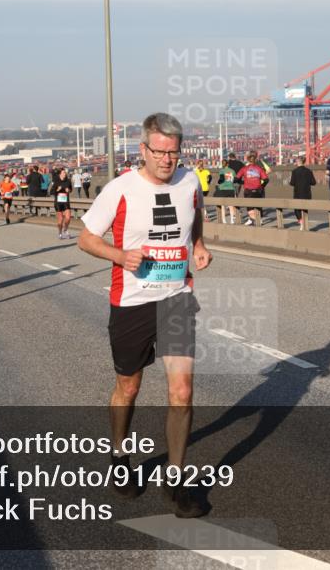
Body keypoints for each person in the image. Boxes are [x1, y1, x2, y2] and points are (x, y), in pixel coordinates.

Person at [77, 112, 211, 518]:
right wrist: (120, 255)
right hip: (131, 303)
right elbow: (85, 238)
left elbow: (197, 214)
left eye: (174, 152)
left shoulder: (189, 182)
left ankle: (176, 479)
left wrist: (199, 245)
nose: (168, 160)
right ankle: (119, 456)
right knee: (128, 389)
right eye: (160, 152)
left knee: (182, 391)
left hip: (176, 299)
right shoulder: (120, 190)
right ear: (144, 150)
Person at [236, 152, 269, 226]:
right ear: (255, 160)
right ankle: (259, 220)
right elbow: (266, 180)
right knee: (258, 205)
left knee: (249, 206)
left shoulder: (244, 169)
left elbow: (236, 178)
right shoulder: (259, 169)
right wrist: (262, 186)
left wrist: (242, 182)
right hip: (258, 190)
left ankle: (253, 220)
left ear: (248, 160)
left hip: (248, 190)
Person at [289, 155, 316, 229]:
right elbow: (313, 182)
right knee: (305, 209)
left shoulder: (294, 171)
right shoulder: (309, 171)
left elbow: (292, 183)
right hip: (307, 193)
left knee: (296, 209)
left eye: (296, 161)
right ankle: (304, 224)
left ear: (298, 162)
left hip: (297, 193)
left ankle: (301, 222)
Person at [51, 167, 74, 239]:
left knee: (68, 218)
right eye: (63, 173)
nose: (65, 174)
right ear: (60, 174)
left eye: (65, 173)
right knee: (60, 220)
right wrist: (57, 190)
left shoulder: (68, 181)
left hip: (66, 201)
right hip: (58, 202)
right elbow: (51, 192)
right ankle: (60, 233)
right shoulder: (56, 182)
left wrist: (68, 190)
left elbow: (71, 189)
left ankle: (65, 229)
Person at [214, 160, 238, 224]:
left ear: (223, 164)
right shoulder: (232, 171)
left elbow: (221, 179)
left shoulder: (222, 171)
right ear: (228, 164)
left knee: (222, 205)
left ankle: (224, 220)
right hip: (231, 188)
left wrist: (219, 182)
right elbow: (235, 179)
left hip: (223, 189)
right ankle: (232, 220)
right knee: (231, 205)